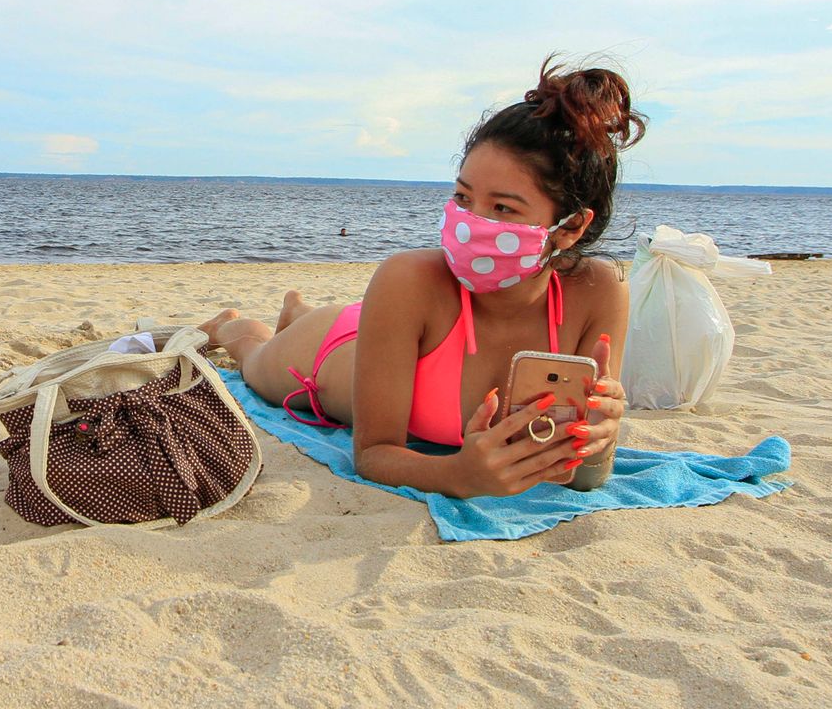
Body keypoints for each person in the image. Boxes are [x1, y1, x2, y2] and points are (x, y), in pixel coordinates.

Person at [200, 58, 640, 498]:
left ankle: (296, 310)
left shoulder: (597, 292)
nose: (472, 223)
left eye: (503, 208)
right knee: (254, 356)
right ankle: (236, 323)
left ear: (571, 227)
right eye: (463, 197)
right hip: (331, 350)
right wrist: (459, 476)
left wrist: (599, 439)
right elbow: (373, 454)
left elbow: (585, 476)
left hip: (394, 331)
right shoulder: (408, 277)